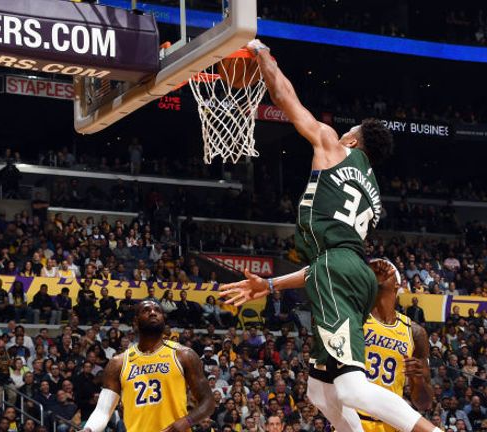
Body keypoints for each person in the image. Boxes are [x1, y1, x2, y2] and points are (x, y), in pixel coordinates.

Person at [220, 40, 439, 432]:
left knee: (351, 389)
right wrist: (269, 284)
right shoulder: (372, 191)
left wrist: (262, 56)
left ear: (353, 140)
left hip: (337, 267)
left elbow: (285, 97)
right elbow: (324, 268)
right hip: (348, 270)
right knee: (319, 392)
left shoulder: (333, 146)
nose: (342, 133)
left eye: (349, 130)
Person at [81, 301, 215, 432]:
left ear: (164, 319)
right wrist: (88, 429)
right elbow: (103, 410)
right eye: (146, 310)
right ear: (135, 322)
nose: (153, 313)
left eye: (157, 311)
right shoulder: (118, 363)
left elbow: (208, 401)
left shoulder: (184, 355)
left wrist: (186, 421)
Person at [359, 259, 433, 432]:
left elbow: (424, 403)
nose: (380, 270)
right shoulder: (355, 317)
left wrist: (418, 380)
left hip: (390, 424)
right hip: (351, 420)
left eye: (386, 269)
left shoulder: (415, 333)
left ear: (397, 284)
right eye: (374, 270)